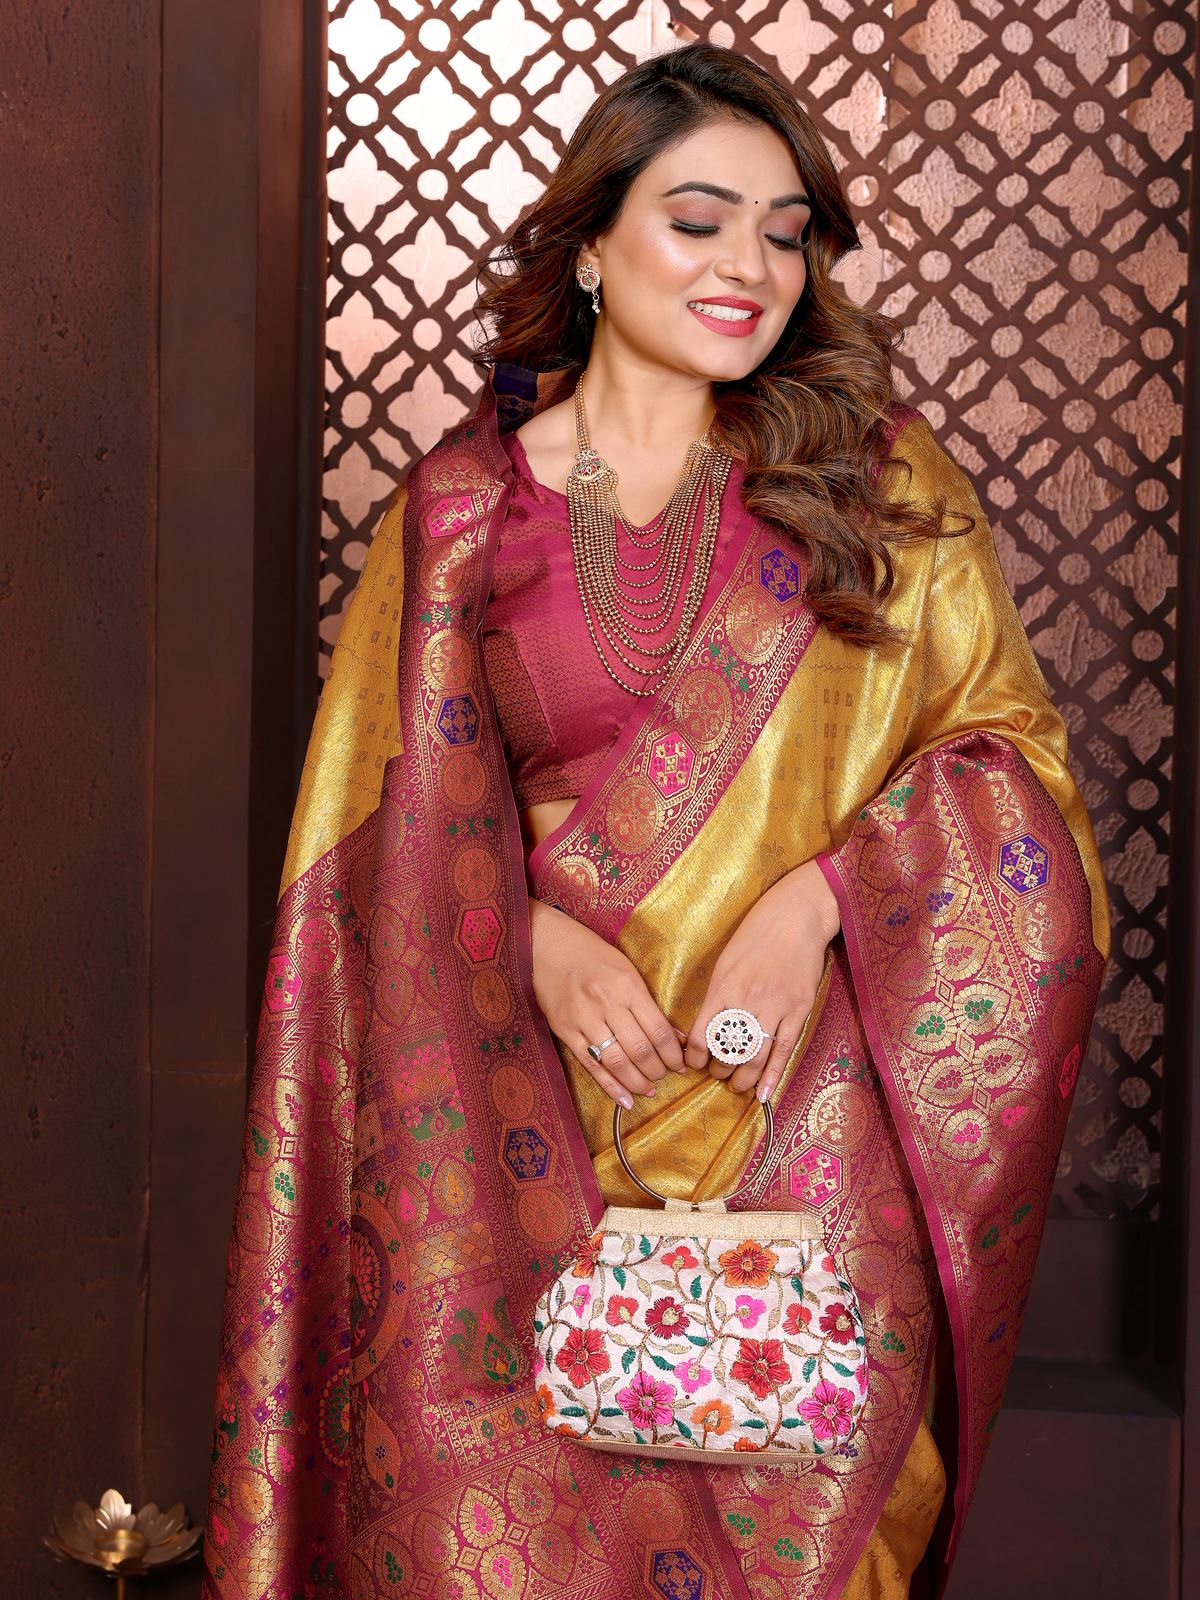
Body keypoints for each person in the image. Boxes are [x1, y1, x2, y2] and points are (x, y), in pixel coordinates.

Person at [201, 43, 1109, 1600]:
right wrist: (533, 939)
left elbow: (1012, 764)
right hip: (512, 1145)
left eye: (786, 227)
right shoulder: (465, 509)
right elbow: (375, 839)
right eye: (701, 220)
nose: (752, 264)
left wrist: (823, 900)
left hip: (815, 1145)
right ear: (592, 244)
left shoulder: (880, 487)